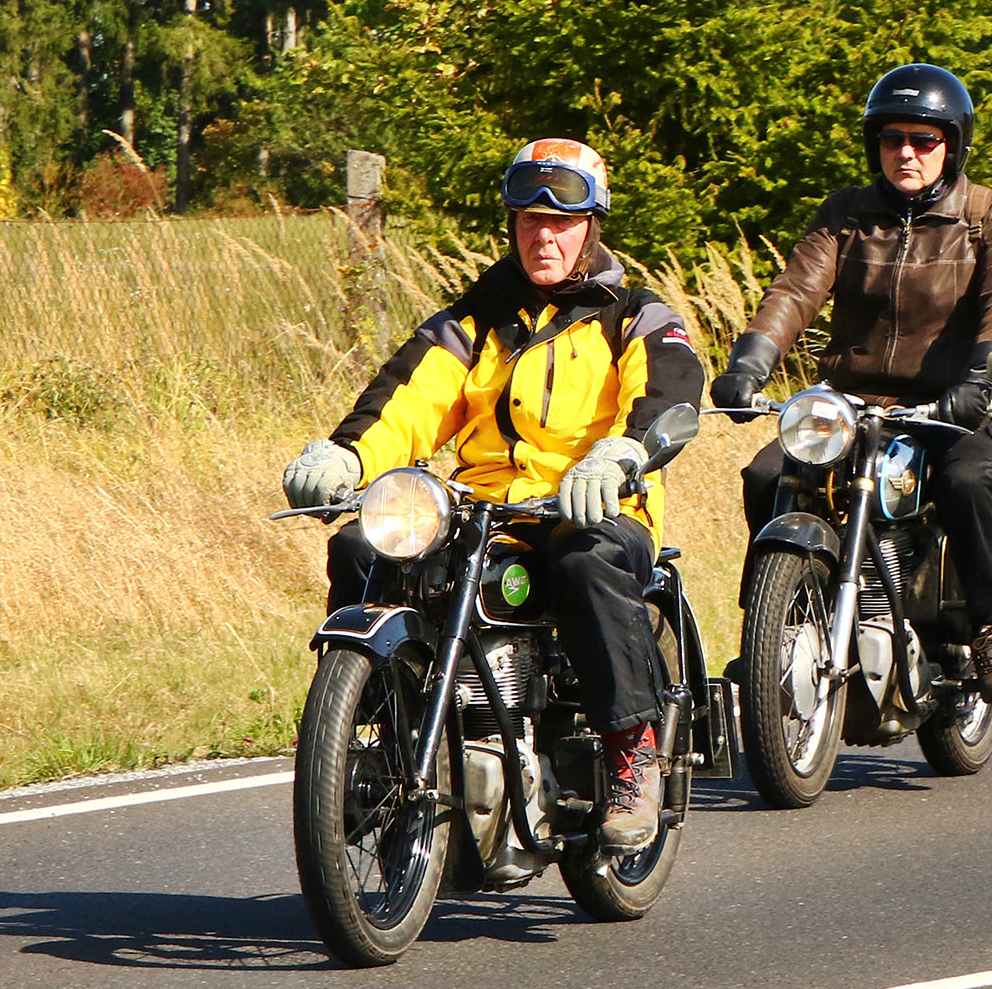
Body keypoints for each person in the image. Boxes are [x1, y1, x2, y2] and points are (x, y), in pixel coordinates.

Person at [282, 138, 704, 849]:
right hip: (483, 511)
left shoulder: (634, 312)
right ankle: (377, 743)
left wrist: (624, 452)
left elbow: (669, 391)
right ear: (510, 226)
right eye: (529, 220)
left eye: (561, 222)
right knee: (362, 544)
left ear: (591, 225)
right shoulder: (475, 319)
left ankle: (632, 755)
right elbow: (408, 402)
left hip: (594, 508)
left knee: (584, 564)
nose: (544, 235)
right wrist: (347, 456)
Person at [710, 64, 992, 701]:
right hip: (850, 402)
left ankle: (991, 628)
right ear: (875, 145)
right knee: (766, 473)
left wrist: (983, 376)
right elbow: (795, 292)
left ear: (953, 144)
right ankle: (768, 634)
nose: (907, 152)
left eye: (924, 139)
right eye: (893, 139)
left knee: (968, 480)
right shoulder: (846, 215)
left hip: (956, 403)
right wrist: (749, 363)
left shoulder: (990, 216)